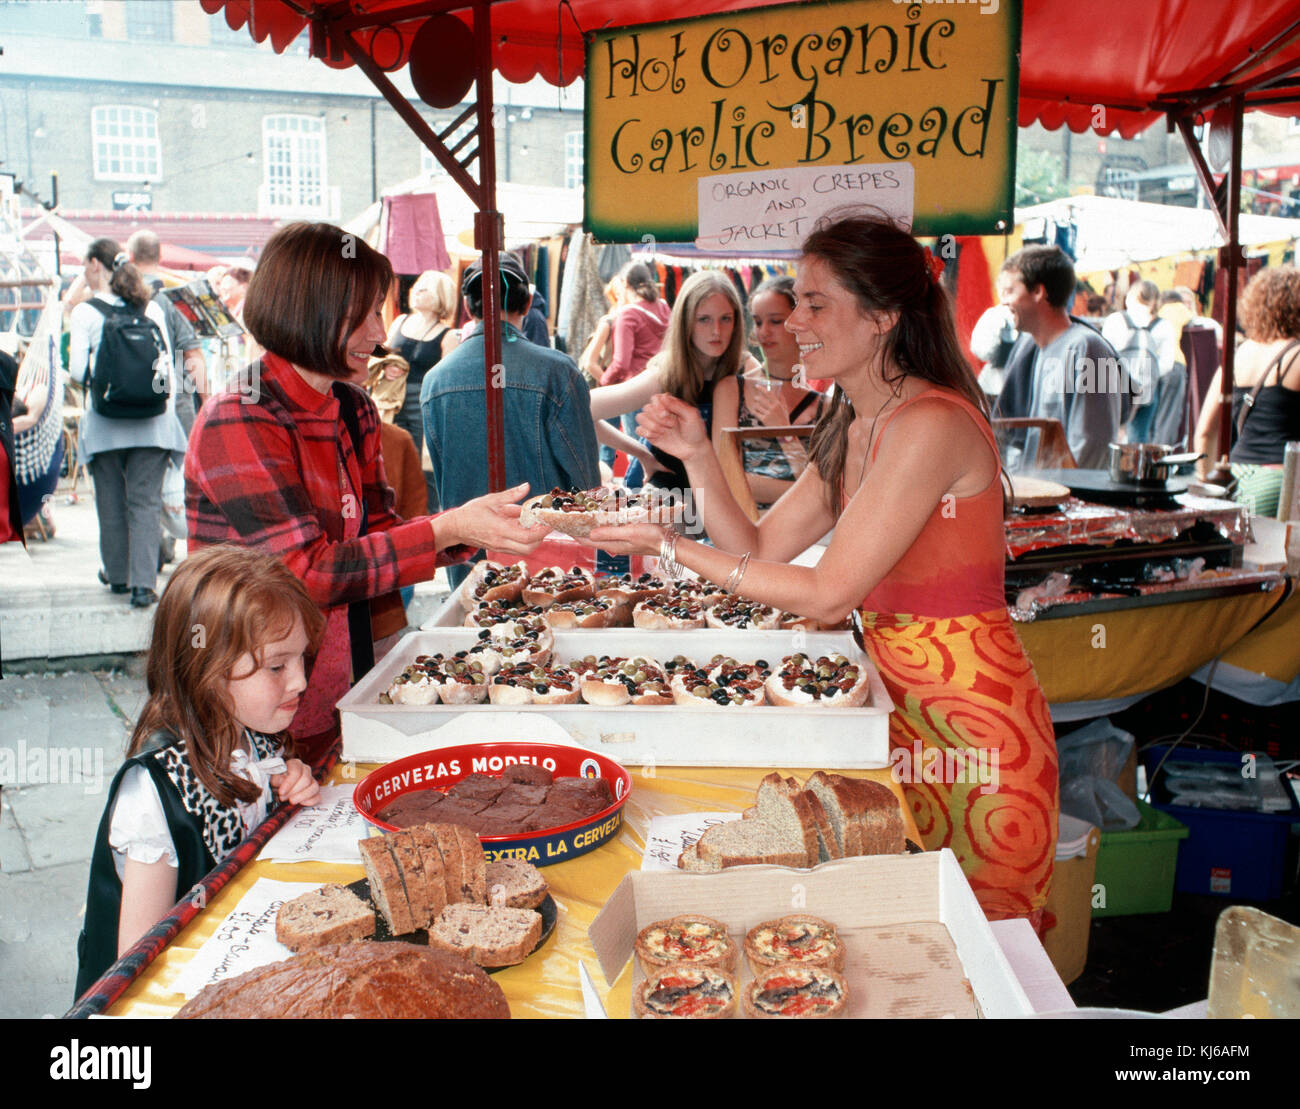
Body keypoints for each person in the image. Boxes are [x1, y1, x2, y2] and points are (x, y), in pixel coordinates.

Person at [585, 213, 1058, 922]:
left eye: (814, 304)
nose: (789, 323)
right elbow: (761, 545)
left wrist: (669, 546)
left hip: (977, 733)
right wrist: (696, 455)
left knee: (979, 959)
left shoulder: (929, 422)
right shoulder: (851, 418)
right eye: (793, 303)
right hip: (894, 716)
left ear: (882, 319)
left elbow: (830, 589)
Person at [186, 223, 549, 766]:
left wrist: (471, 528)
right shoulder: (243, 414)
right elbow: (305, 573)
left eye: (379, 311)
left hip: (334, 688)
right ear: (305, 308)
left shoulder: (353, 408)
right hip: (244, 707)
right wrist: (448, 529)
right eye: (363, 314)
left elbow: (377, 533)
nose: (379, 333)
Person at [74, 546, 325, 998]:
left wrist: (290, 775)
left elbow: (251, 787)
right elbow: (140, 962)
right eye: (277, 666)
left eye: (302, 658)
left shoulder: (250, 732)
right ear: (208, 671)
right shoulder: (155, 793)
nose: (301, 680)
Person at [421, 250, 601, 590]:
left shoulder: (435, 380)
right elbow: (587, 488)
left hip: (469, 565)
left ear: (467, 305)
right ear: (528, 301)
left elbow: (443, 476)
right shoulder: (557, 371)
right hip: (547, 566)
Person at [68, 238, 188, 607]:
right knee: (144, 503)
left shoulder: (84, 313)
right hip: (153, 423)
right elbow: (166, 369)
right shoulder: (150, 310)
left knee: (110, 501)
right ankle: (142, 586)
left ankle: (117, 576)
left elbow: (75, 371)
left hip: (105, 422)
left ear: (94, 265)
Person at [589, 270, 761, 514]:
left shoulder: (748, 368)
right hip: (671, 504)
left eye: (726, 319)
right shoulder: (665, 375)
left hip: (729, 503)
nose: (716, 331)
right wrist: (641, 452)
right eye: (704, 319)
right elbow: (580, 408)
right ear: (686, 321)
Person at [995, 245, 1124, 469]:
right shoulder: (1030, 347)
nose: (1003, 302)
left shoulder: (1088, 349)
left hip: (1068, 498)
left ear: (1038, 292)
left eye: (1010, 291)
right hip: (1038, 493)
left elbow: (1091, 447)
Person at [711, 274, 826, 512]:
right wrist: (809, 492)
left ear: (799, 322)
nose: (763, 332)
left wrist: (784, 431)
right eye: (758, 321)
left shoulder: (827, 406)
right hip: (746, 528)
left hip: (808, 537)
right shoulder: (732, 389)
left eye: (774, 321)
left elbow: (828, 489)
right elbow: (726, 479)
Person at [1194, 265, 1300, 516]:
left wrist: (1209, 487)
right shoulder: (1296, 355)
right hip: (1281, 481)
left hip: (1236, 476)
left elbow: (1205, 432)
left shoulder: (1238, 355)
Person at [126, 230, 207, 435]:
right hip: (175, 396)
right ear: (160, 257)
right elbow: (192, 353)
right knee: (183, 464)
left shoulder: (118, 296)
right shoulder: (174, 299)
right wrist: (207, 398)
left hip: (128, 399)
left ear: (131, 257)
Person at [385, 270, 460, 473]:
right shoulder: (399, 322)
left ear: (439, 295)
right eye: (416, 286)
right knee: (388, 456)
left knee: (419, 464)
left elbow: (446, 381)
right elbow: (380, 355)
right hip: (392, 400)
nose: (416, 290)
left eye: (424, 288)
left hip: (422, 404)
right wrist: (385, 366)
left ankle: (419, 504)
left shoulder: (449, 335)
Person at [1102, 279, 1178, 442]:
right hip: (1147, 390)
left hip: (1117, 389)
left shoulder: (1115, 320)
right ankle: (1134, 467)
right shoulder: (1164, 326)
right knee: (1139, 437)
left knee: (1111, 434)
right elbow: (1167, 363)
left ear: (1131, 296)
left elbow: (1104, 355)